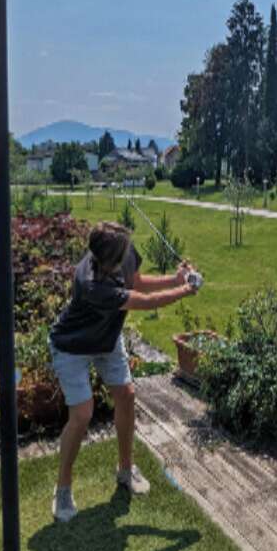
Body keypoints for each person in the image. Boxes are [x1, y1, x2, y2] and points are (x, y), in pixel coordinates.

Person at [49, 220, 198, 523]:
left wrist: (176, 278)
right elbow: (145, 301)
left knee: (127, 396)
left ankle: (125, 470)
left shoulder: (120, 251)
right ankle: (62, 487)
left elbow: (137, 282)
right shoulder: (91, 284)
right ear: (109, 260)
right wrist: (186, 288)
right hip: (72, 345)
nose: (129, 253)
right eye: (124, 252)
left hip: (106, 340)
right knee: (82, 414)